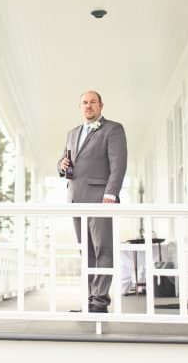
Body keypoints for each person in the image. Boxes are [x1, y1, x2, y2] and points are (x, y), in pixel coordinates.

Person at [58, 90, 127, 313]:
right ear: (80, 107)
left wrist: (111, 193)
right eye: (84, 103)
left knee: (102, 248)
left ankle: (100, 301)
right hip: (76, 199)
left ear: (101, 106)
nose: (88, 106)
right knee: (85, 251)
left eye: (93, 102)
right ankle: (90, 300)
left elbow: (118, 164)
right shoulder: (72, 133)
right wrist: (61, 165)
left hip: (101, 199)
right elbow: (64, 160)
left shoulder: (113, 129)